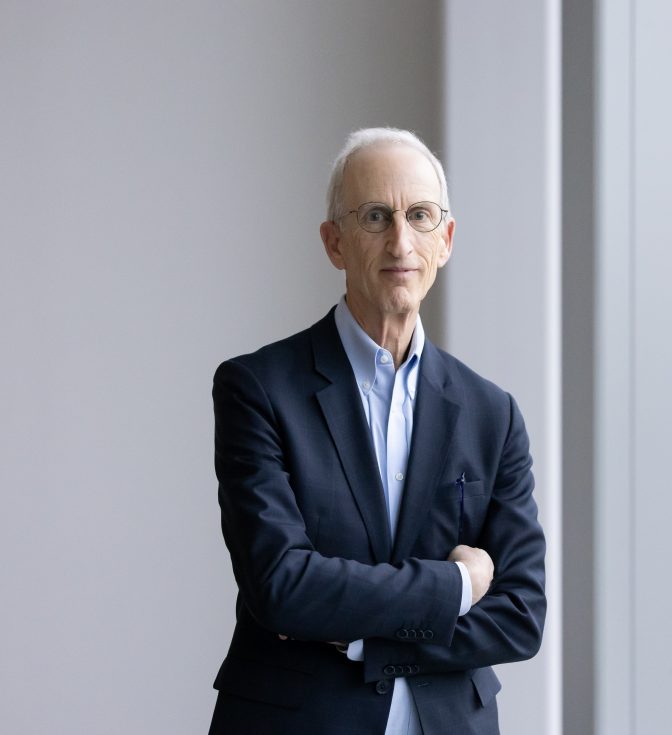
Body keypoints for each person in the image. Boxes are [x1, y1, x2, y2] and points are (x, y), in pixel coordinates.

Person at [207, 127, 547, 735]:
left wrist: (361, 637)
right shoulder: (257, 390)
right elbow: (283, 586)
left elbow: (520, 614)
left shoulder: (493, 414)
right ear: (333, 242)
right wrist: (457, 583)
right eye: (374, 216)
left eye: (419, 216)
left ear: (445, 240)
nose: (400, 240)